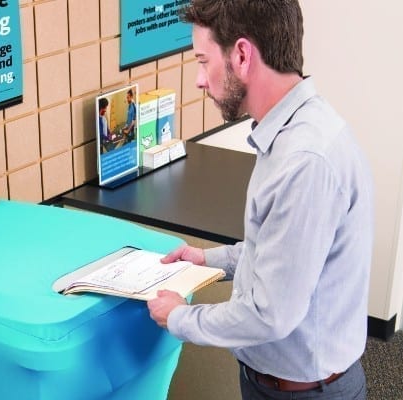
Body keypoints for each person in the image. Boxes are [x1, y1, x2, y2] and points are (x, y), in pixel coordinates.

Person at [147, 1, 374, 399]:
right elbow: (277, 254)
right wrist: (207, 259)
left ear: (241, 55)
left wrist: (180, 317)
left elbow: (271, 314)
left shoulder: (304, 161)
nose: (199, 81)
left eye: (203, 61)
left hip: (304, 392)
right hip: (280, 383)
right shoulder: (292, 132)